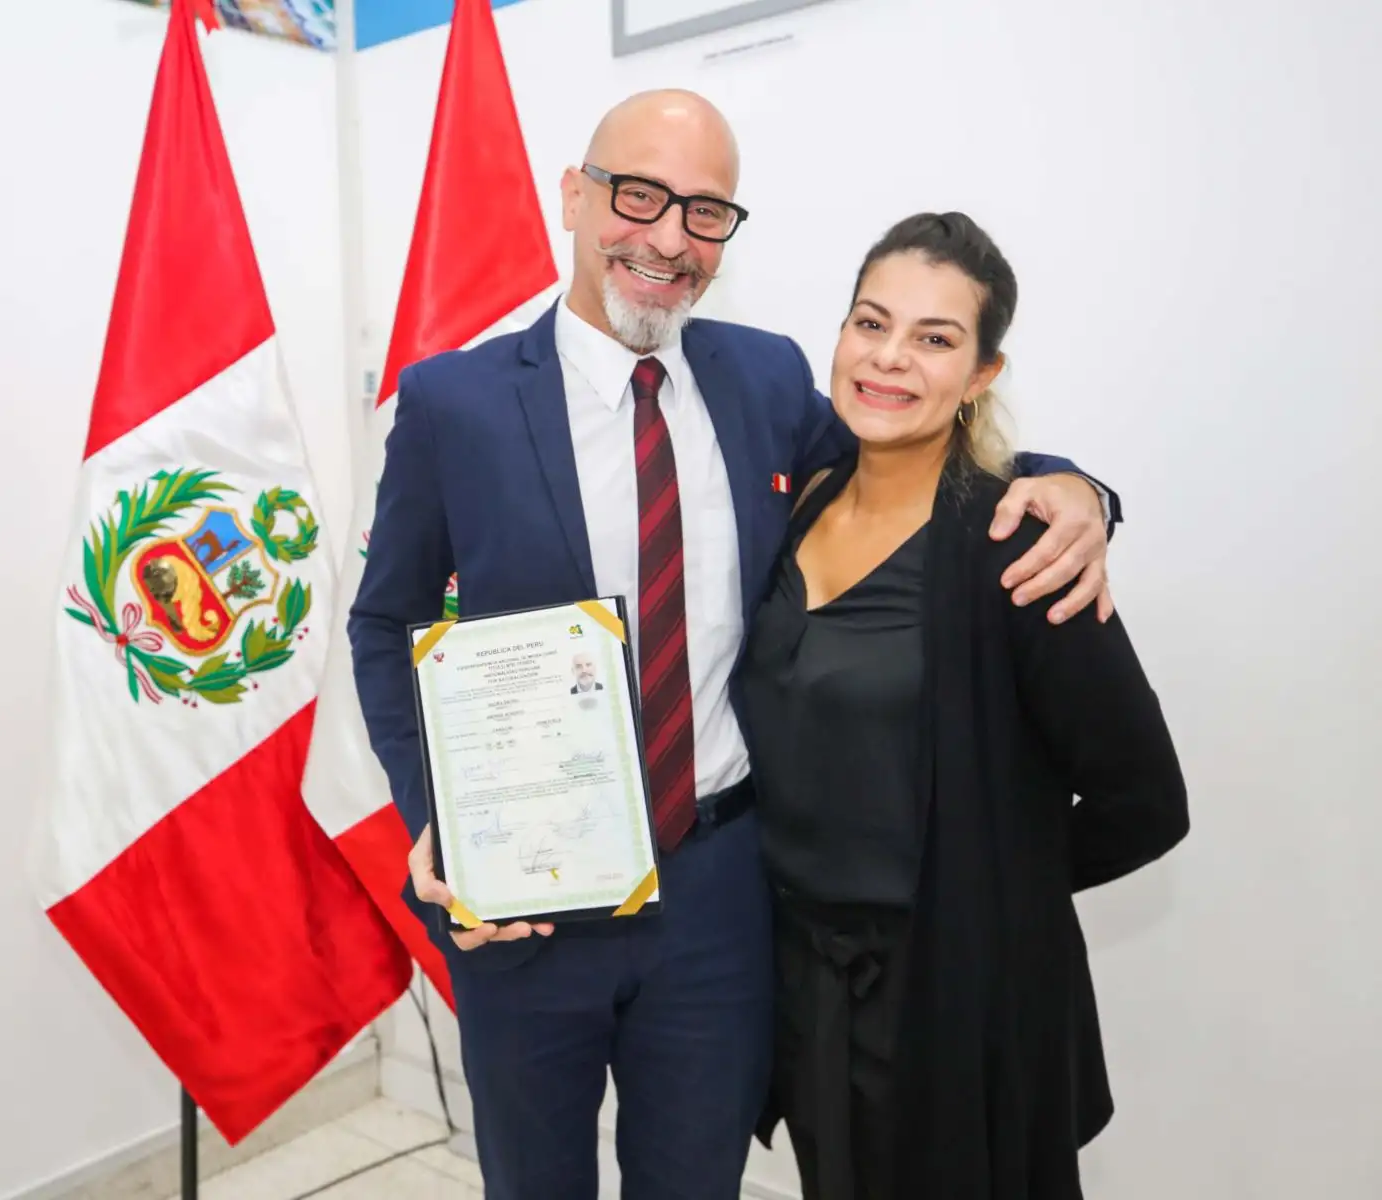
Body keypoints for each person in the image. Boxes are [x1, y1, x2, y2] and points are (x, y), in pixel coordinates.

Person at [348, 88, 1120, 1200]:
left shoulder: (762, 382)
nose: (668, 239)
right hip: (529, 895)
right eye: (640, 196)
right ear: (575, 196)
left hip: (724, 895)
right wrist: (437, 814)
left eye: (705, 212)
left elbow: (910, 460)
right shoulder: (454, 403)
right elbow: (384, 622)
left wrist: (1076, 485)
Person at [738, 211, 1188, 1199]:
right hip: (807, 989)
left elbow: (1147, 800)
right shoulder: (797, 506)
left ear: (981, 374)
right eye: (871, 322)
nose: (889, 358)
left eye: (935, 339)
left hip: (953, 1006)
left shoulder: (1019, 545)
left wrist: (990, 889)